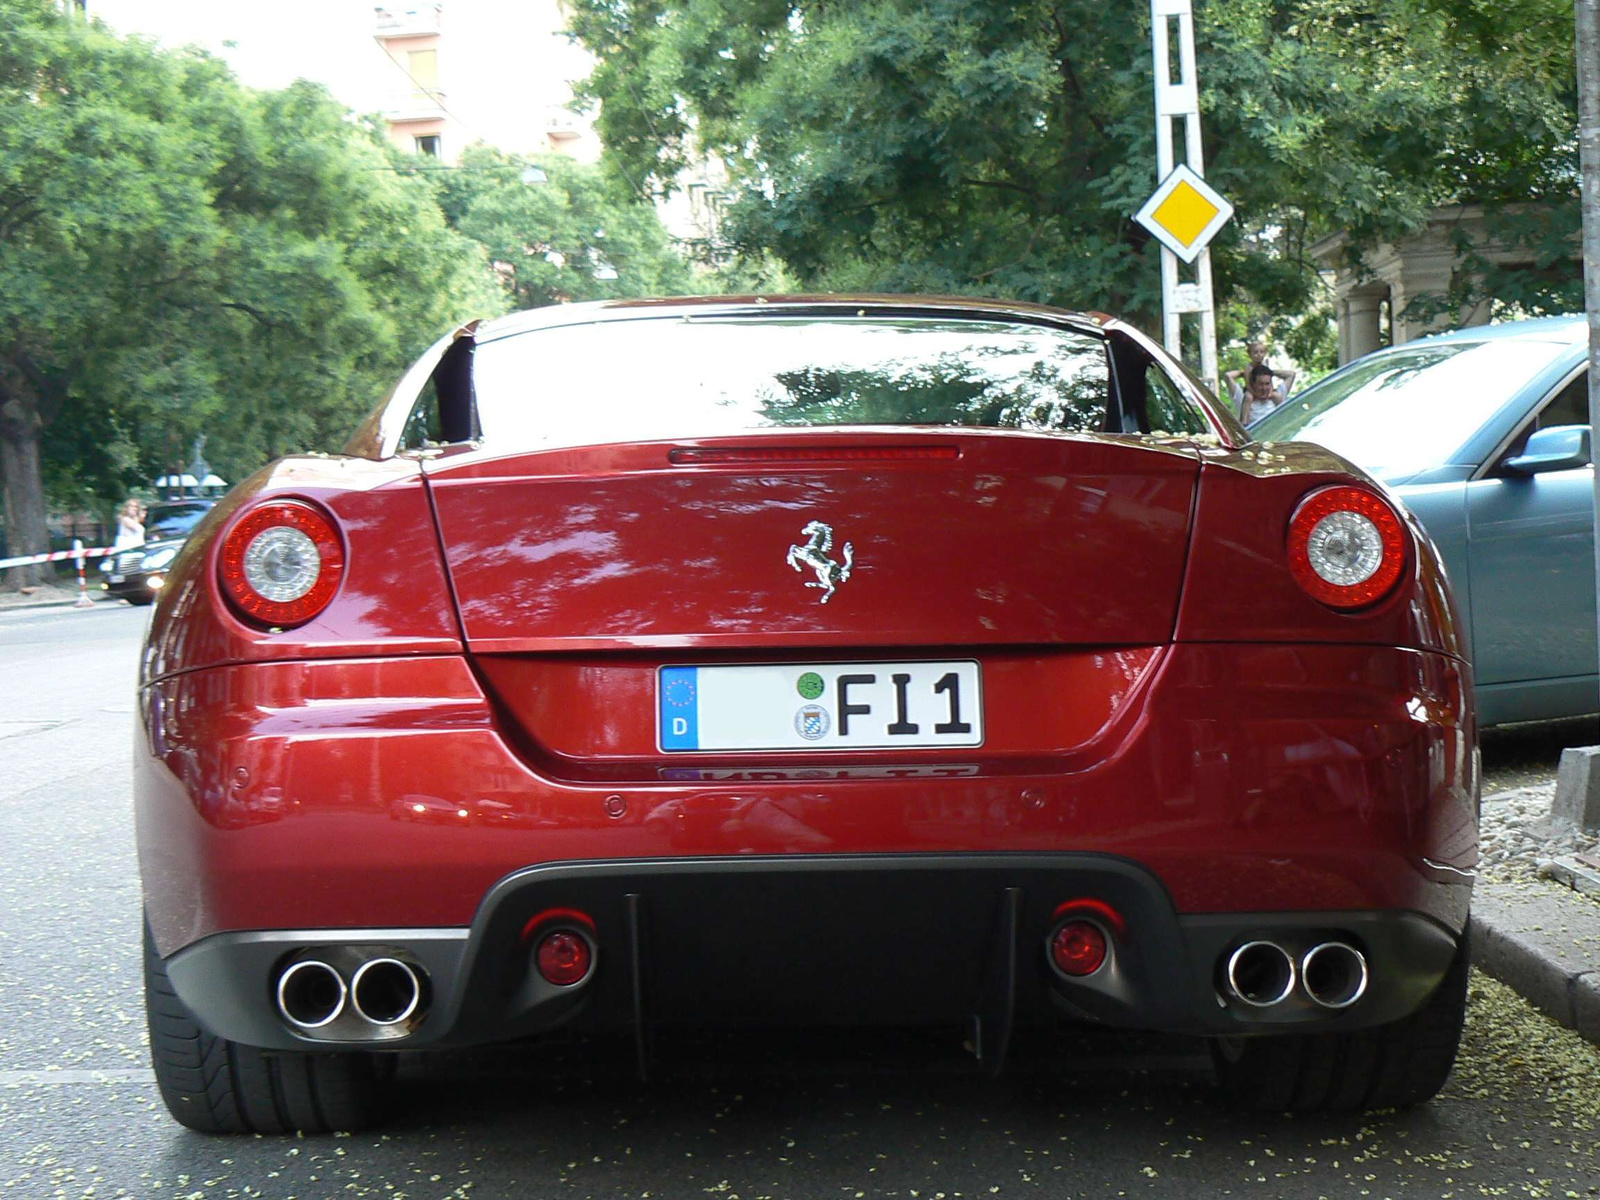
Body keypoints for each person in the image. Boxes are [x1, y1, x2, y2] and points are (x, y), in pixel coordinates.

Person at [1224, 340, 1297, 413]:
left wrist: (1269, 391)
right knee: (1248, 397)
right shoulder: (1249, 368)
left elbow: (1290, 374)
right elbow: (1247, 384)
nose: (1259, 355)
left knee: (1276, 396)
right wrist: (1242, 373)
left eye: (1262, 352)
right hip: (1251, 392)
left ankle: (1283, 412)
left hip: (1269, 394)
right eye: (1255, 353)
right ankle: (1245, 420)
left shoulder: (1265, 365)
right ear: (1250, 354)